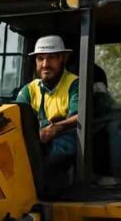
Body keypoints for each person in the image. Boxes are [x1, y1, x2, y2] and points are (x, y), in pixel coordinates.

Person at [15, 35, 78, 171]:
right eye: (40, 58)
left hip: (67, 136)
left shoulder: (74, 84)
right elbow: (15, 117)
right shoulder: (29, 90)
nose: (45, 64)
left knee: (56, 156)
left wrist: (57, 127)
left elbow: (79, 117)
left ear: (63, 58)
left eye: (51, 58)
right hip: (39, 138)